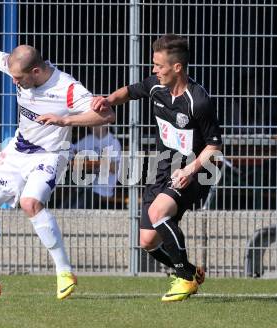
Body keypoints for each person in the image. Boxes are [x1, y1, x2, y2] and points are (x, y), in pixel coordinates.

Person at [0, 37, 115, 299]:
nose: (14, 82)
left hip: (50, 154)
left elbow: (107, 115)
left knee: (30, 203)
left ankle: (65, 271)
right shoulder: (15, 65)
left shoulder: (67, 88)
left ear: (36, 71)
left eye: (18, 78)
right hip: (18, 151)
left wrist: (66, 120)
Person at [92, 34, 222, 302]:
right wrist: (108, 100)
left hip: (194, 171)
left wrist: (190, 170)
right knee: (147, 241)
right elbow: (129, 92)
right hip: (163, 167)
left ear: (177, 68)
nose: (154, 70)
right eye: (153, 64)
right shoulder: (155, 86)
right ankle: (190, 270)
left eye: (159, 65)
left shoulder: (198, 100)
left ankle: (185, 279)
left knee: (158, 211)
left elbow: (213, 146)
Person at [68, 125, 121, 209]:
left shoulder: (113, 142)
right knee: (66, 204)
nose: (92, 126)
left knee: (77, 207)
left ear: (106, 124)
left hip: (102, 187)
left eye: (97, 123)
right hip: (86, 184)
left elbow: (115, 168)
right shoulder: (89, 139)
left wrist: (93, 163)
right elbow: (73, 151)